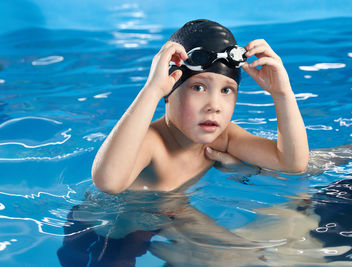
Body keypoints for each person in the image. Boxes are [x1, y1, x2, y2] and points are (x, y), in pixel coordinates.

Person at [91, 19, 309, 194]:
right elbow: (108, 183)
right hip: (107, 233)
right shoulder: (152, 143)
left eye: (226, 90)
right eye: (198, 88)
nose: (214, 106)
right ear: (169, 90)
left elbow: (292, 163)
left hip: (171, 214)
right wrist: (152, 90)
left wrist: (282, 94)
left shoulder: (223, 137)